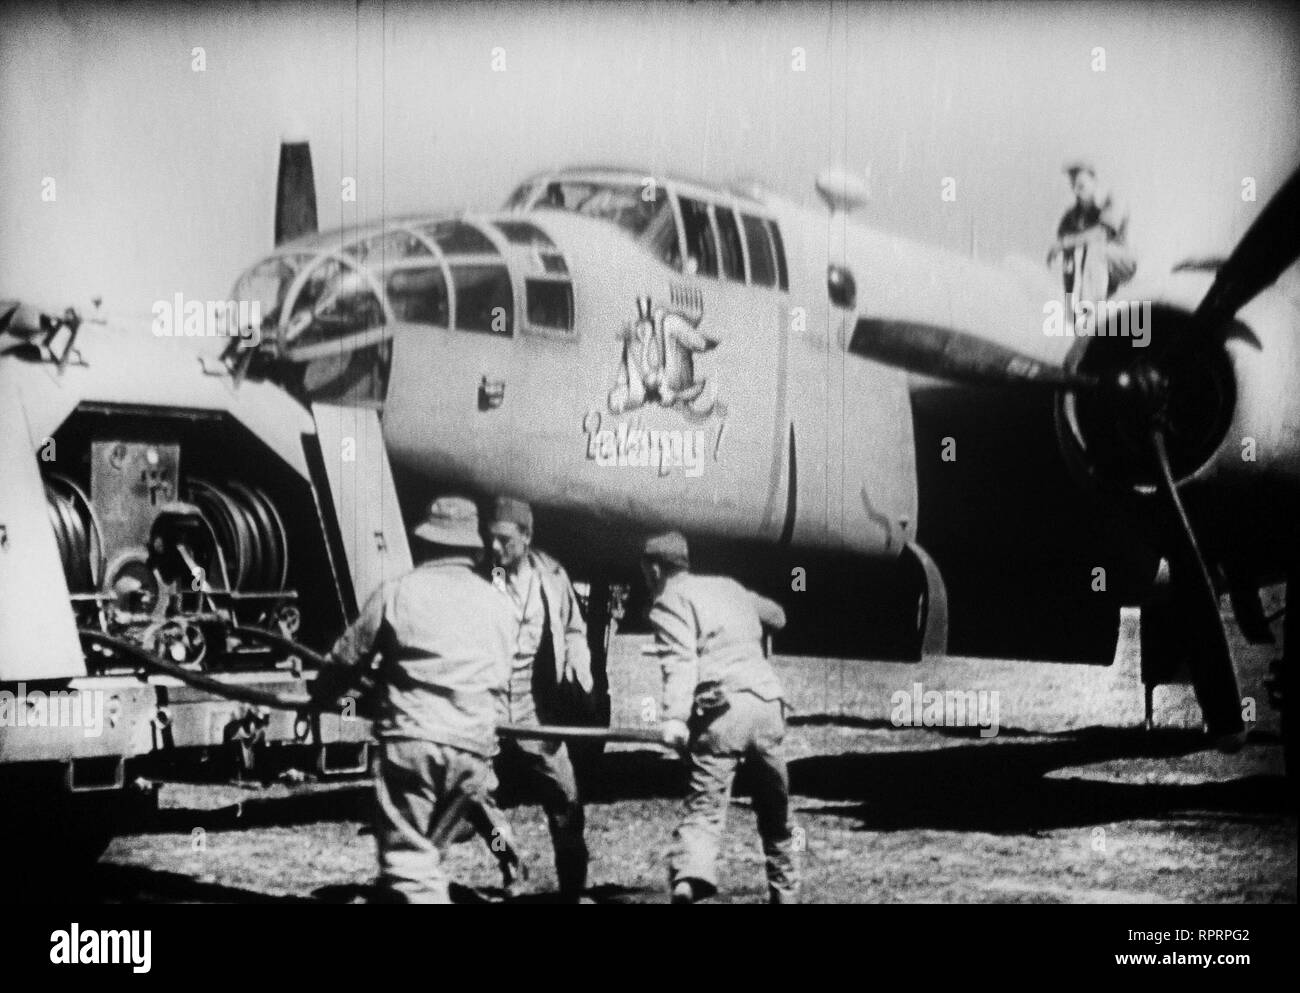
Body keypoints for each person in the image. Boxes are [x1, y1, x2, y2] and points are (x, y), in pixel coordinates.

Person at [310, 495, 515, 904]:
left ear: (425, 545)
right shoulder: (500, 605)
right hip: (472, 752)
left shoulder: (399, 593)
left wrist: (321, 695)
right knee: (425, 858)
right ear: (472, 551)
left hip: (414, 746)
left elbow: (348, 658)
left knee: (408, 865)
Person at [641, 531, 800, 904]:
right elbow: (777, 615)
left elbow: (680, 662)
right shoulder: (727, 586)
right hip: (767, 706)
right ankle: (787, 895)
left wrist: (675, 719)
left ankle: (689, 880)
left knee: (705, 812)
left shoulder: (668, 601)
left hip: (722, 716)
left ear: (654, 568)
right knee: (777, 816)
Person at [484, 496, 593, 900]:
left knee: (566, 798)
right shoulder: (483, 577)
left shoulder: (552, 577)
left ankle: (573, 887)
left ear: (527, 537)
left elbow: (574, 629)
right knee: (473, 790)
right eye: (490, 539)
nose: (495, 548)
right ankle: (510, 861)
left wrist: (579, 669)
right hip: (490, 708)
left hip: (536, 708)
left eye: (505, 540)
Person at [1046, 161, 1138, 328]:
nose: (1076, 191)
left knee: (1096, 250)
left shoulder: (1113, 198)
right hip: (1099, 275)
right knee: (1107, 327)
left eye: (1081, 186)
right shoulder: (1073, 216)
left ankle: (1089, 319)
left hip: (1125, 264)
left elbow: (1102, 233)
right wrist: (1069, 305)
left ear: (1095, 182)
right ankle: (1088, 324)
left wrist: (1064, 242)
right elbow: (1069, 263)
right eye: (1073, 186)